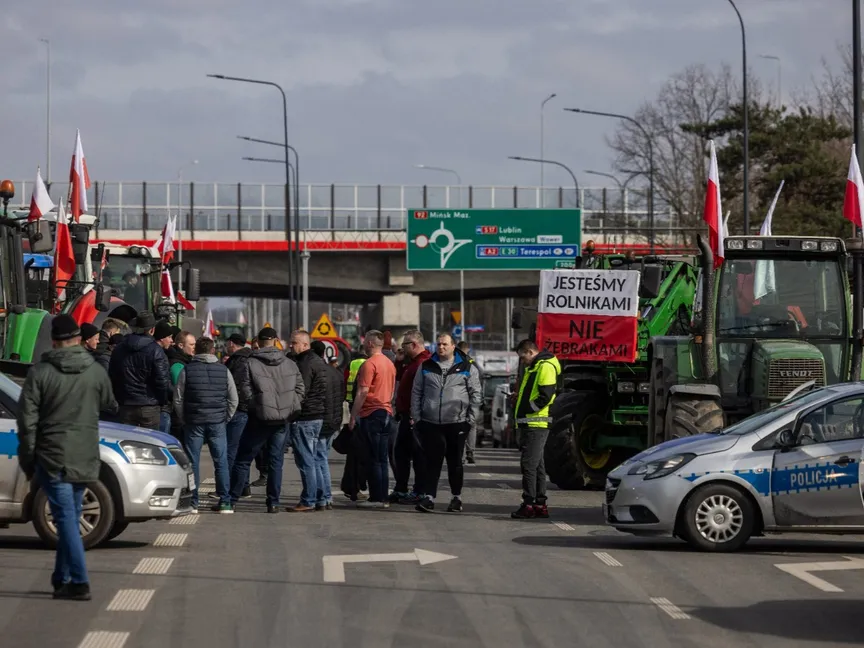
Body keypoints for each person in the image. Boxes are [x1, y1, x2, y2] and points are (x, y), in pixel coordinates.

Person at [17, 314, 116, 601]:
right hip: (86, 455)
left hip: (53, 456)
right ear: (78, 338)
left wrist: (28, 460)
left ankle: (80, 581)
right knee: (68, 517)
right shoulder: (96, 371)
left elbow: (27, 421)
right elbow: (110, 402)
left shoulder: (41, 373)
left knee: (66, 519)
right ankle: (61, 579)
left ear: (54, 341)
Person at [229, 327, 305, 513]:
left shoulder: (250, 363)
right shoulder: (289, 363)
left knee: (243, 459)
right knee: (276, 462)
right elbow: (300, 389)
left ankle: (231, 500)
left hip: (259, 419)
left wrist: (256, 406)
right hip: (282, 421)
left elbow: (245, 390)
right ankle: (273, 502)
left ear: (258, 342)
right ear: (276, 341)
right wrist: (290, 407)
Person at [411, 333, 481, 513]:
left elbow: (476, 395)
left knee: (455, 462)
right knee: (432, 462)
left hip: (457, 423)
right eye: (438, 344)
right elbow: (417, 392)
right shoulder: (426, 366)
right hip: (431, 422)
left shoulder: (467, 366)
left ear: (453, 346)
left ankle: (456, 498)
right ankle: (429, 497)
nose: (441, 347)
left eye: (444, 344)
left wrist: (470, 420)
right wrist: (418, 418)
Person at [174, 337, 239, 514]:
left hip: (194, 421)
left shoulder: (187, 370)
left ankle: (193, 503)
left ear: (196, 351)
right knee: (221, 462)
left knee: (193, 462)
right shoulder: (223, 370)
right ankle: (225, 501)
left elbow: (178, 398)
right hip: (217, 422)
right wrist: (225, 417)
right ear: (212, 351)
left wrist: (184, 418)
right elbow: (234, 398)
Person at [511, 339, 561, 520]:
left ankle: (529, 504)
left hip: (537, 423)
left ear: (530, 352)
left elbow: (545, 396)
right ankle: (539, 504)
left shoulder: (545, 366)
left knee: (529, 465)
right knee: (537, 465)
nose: (523, 361)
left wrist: (527, 408)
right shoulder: (535, 367)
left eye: (523, 357)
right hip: (532, 423)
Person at [349, 329, 396, 508]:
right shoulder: (389, 364)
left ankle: (377, 498)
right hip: (386, 412)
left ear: (369, 343)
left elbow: (362, 392)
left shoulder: (369, 364)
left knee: (373, 459)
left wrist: (353, 416)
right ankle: (383, 496)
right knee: (382, 458)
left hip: (371, 413)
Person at [286, 330, 328, 512]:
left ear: (305, 344)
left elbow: (300, 391)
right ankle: (321, 498)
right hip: (318, 415)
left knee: (306, 461)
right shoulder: (318, 361)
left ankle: (308, 499)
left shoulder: (305, 363)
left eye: (294, 343)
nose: (290, 345)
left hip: (306, 417)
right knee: (315, 459)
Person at [108, 311, 171, 430]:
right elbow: (162, 380)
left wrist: (119, 398)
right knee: (150, 443)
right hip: (149, 405)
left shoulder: (119, 348)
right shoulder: (156, 350)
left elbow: (112, 376)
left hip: (126, 404)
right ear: (152, 330)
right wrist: (162, 401)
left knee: (127, 444)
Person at [389, 330, 431, 504]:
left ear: (414, 345)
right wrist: (399, 362)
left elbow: (423, 392)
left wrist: (416, 414)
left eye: (405, 345)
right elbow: (398, 378)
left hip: (415, 416)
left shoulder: (424, 364)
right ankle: (401, 488)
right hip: (406, 414)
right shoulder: (412, 363)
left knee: (417, 455)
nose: (402, 348)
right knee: (401, 452)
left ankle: (419, 490)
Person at [310, 341, 346, 510]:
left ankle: (322, 497)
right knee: (322, 458)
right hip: (334, 421)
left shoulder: (319, 372)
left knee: (317, 459)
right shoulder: (336, 372)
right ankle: (327, 496)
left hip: (321, 420)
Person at [224, 333, 253, 498]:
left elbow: (234, 386)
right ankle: (243, 486)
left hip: (237, 410)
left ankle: (227, 488)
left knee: (231, 450)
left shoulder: (237, 360)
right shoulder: (252, 358)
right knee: (243, 452)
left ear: (231, 343)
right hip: (250, 411)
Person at [340, 349, 369, 501]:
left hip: (352, 406)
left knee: (354, 452)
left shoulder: (351, 364)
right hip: (363, 409)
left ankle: (352, 486)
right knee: (361, 453)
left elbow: (345, 383)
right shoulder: (368, 364)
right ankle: (355, 486)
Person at [456, 341, 479, 465]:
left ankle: (463, 455)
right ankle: (471, 452)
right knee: (472, 426)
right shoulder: (473, 363)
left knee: (460, 426)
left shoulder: (457, 362)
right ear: (468, 349)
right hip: (473, 398)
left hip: (461, 399)